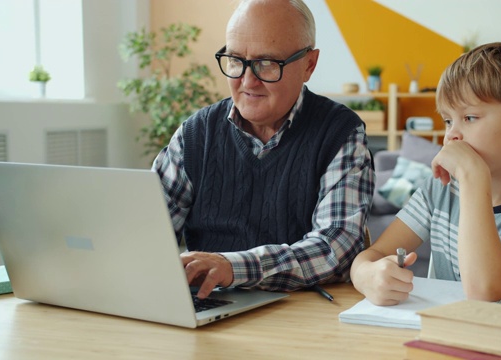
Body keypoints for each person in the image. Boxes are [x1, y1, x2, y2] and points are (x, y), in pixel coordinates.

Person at [151, 0, 375, 299]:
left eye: (267, 63)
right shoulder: (196, 134)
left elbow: (335, 246)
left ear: (309, 64)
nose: (247, 81)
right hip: (208, 303)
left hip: (302, 314)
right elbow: (146, 231)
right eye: (235, 60)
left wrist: (232, 267)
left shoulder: (339, 132)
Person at [350, 42, 501, 306]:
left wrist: (473, 175)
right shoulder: (439, 191)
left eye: (469, 117)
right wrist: (365, 275)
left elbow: (485, 289)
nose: (451, 134)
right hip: (449, 336)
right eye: (448, 120)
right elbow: (374, 253)